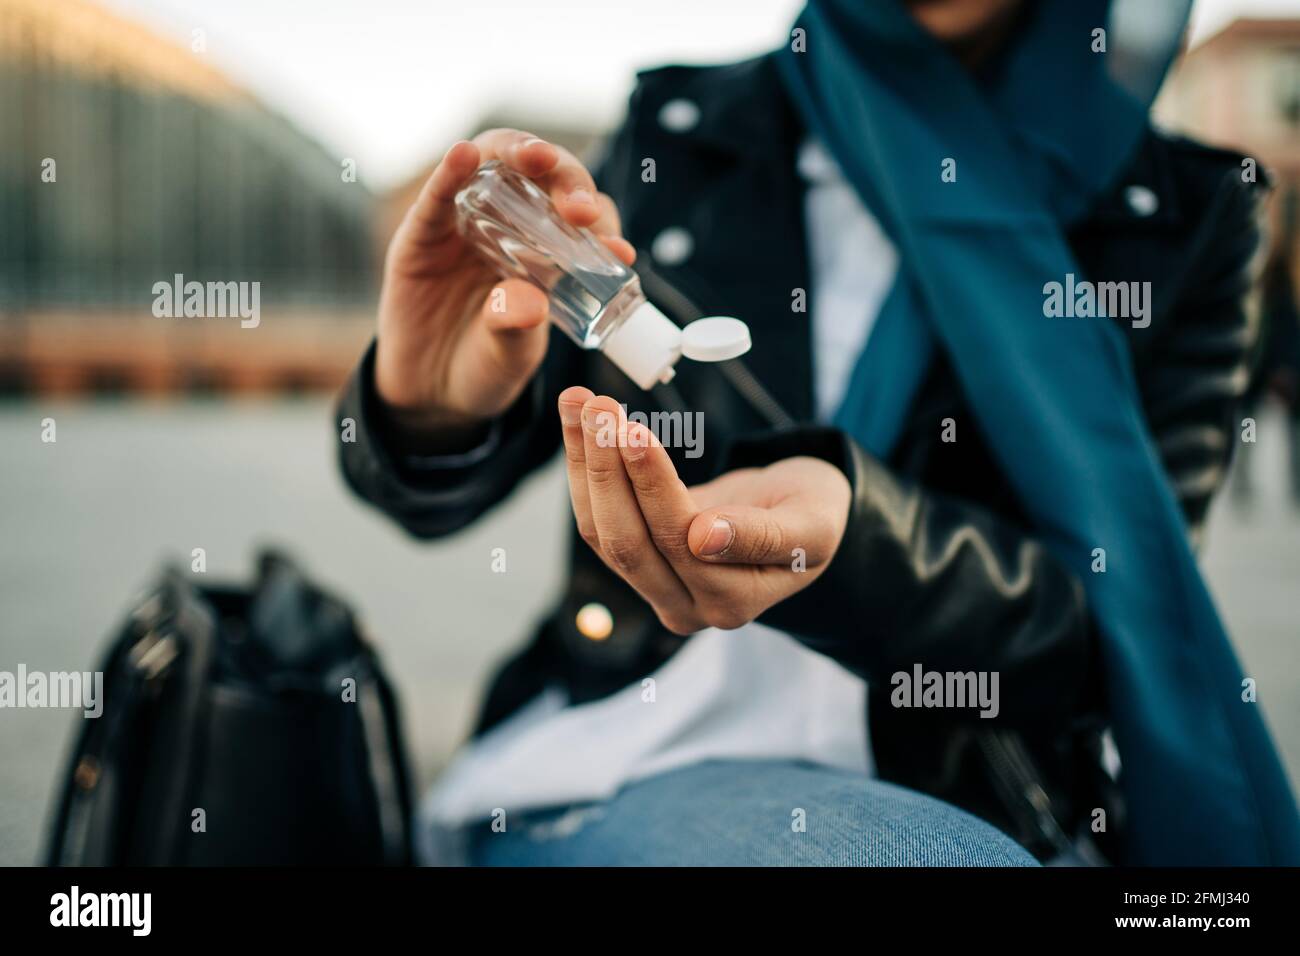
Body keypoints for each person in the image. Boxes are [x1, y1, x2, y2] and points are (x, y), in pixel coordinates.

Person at [337, 0, 1300, 865]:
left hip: (973, 778)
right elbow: (431, 494)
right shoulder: (688, 126)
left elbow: (1110, 628)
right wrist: (426, 402)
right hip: (621, 751)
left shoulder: (1185, 214)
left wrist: (860, 546)